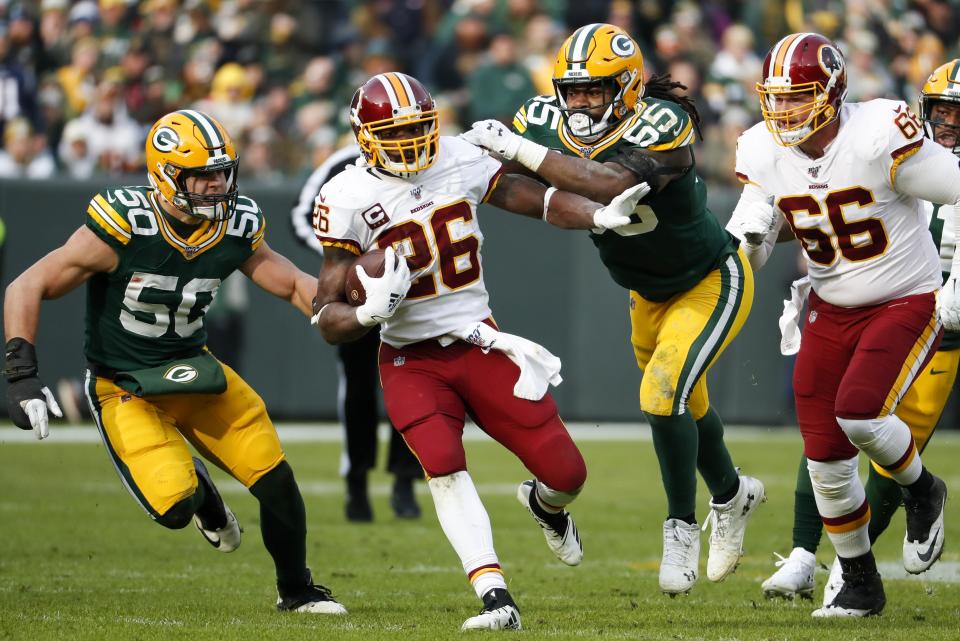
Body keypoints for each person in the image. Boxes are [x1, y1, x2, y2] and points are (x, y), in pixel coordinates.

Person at [312, 72, 647, 631]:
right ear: (366, 137)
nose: (411, 143)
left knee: (567, 474)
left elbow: (526, 195)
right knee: (443, 465)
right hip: (410, 357)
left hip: (478, 339)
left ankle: (545, 507)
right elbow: (325, 316)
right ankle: (495, 596)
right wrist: (369, 314)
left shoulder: (459, 157)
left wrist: (596, 215)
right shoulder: (346, 196)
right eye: (395, 134)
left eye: (418, 129)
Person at [3, 109, 347, 615]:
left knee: (276, 479)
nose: (216, 186)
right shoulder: (124, 225)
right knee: (174, 507)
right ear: (166, 177)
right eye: (202, 176)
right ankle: (204, 496)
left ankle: (296, 590)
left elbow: (294, 283)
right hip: (124, 386)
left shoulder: (235, 226)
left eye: (221, 173)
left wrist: (349, 310)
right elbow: (27, 284)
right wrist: (20, 372)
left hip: (194, 370)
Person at [460, 23, 763, 596]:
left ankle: (680, 526)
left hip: (709, 279)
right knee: (688, 406)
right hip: (645, 293)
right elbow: (498, 182)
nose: (580, 103)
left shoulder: (661, 119)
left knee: (662, 393)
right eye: (571, 92)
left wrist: (520, 148)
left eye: (594, 91)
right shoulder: (545, 121)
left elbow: (607, 180)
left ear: (625, 87)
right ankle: (732, 494)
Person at [725, 33, 959, 617]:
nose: (784, 112)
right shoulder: (762, 148)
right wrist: (744, 246)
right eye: (775, 98)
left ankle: (923, 488)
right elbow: (753, 228)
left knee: (858, 412)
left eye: (798, 96)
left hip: (904, 296)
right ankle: (859, 581)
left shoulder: (879, 131)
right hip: (829, 306)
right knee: (825, 458)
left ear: (831, 91)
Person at [291, 143, 424, 522]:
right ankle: (357, 483)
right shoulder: (339, 163)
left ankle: (405, 479)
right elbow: (301, 215)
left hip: (411, 294)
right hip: (356, 296)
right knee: (359, 388)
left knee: (413, 384)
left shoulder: (421, 161)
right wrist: (347, 259)